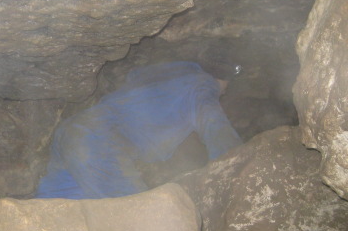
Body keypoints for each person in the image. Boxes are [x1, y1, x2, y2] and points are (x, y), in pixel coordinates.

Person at [35, 60, 242, 199]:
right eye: (227, 86)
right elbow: (215, 125)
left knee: (57, 210)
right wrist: (236, 166)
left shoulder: (164, 76)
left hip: (72, 131)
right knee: (139, 216)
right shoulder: (203, 84)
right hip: (101, 140)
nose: (224, 93)